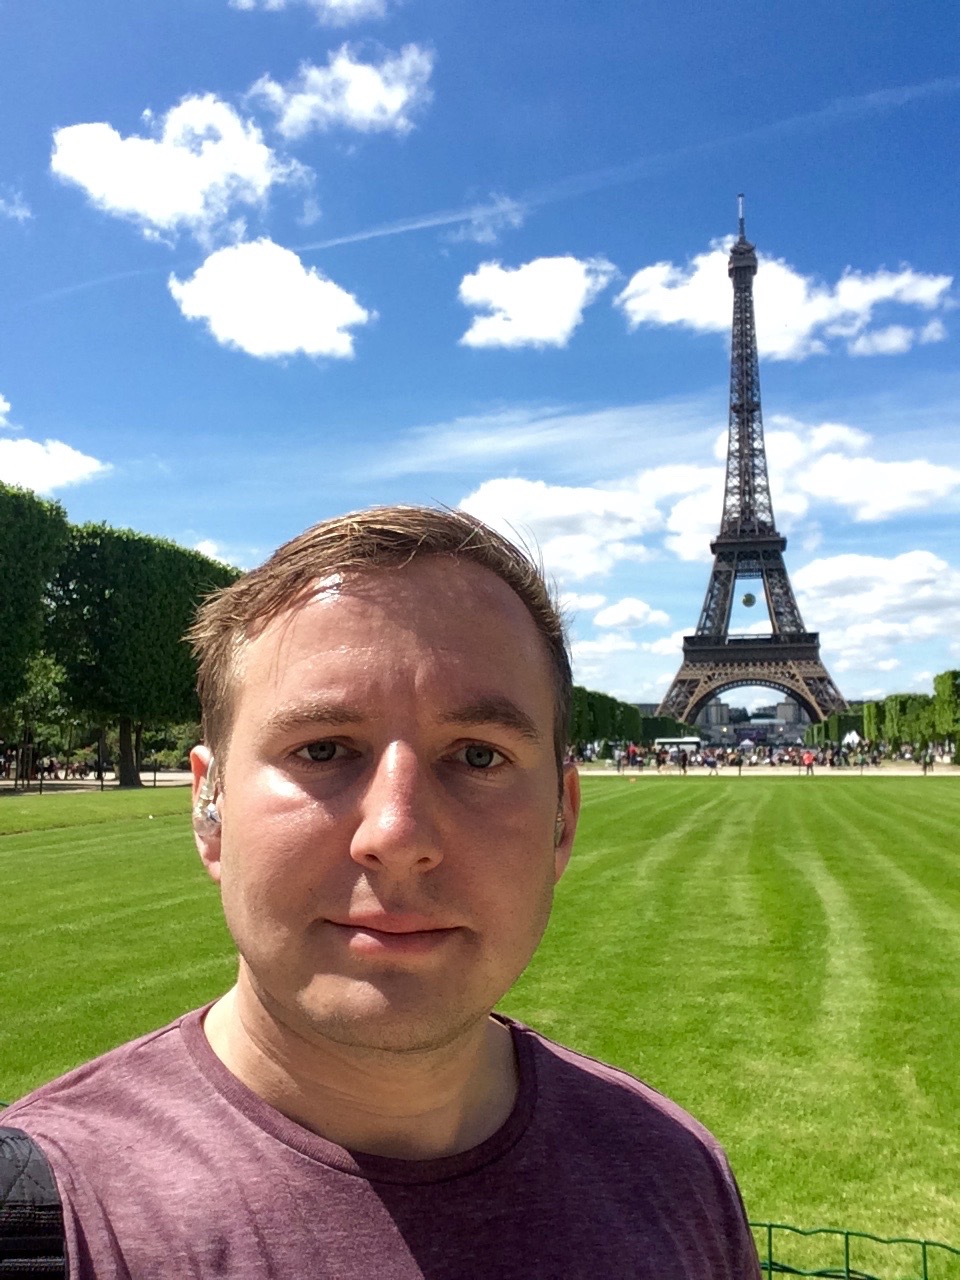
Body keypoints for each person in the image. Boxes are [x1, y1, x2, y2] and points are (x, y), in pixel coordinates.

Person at [3, 506, 759, 1279]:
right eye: (322, 749)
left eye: (478, 755)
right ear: (210, 808)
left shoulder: (684, 1174)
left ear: (562, 820)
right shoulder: (34, 1223)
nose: (397, 833)